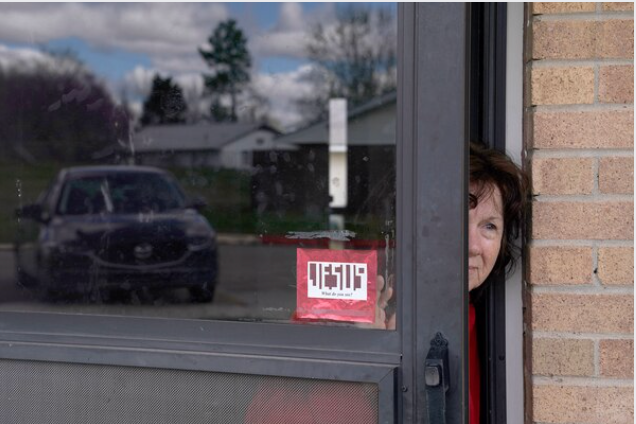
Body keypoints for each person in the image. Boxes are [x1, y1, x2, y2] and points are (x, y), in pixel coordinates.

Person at [245, 142, 528, 424]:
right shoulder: (343, 301)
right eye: (455, 221)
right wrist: (367, 358)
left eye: (489, 226)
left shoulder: (466, 317)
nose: (472, 246)